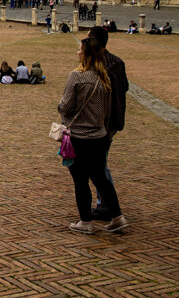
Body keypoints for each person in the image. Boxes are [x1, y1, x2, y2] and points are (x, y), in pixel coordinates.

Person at [58, 36, 127, 234]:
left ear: (86, 54)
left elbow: (66, 105)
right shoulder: (104, 76)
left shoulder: (76, 76)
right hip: (99, 136)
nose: (77, 52)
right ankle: (117, 216)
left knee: (80, 179)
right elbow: (107, 110)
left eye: (80, 49)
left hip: (78, 137)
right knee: (100, 178)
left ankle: (85, 221)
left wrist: (60, 107)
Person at [87, 25, 129, 222]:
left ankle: (108, 207)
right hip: (116, 120)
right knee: (100, 163)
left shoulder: (98, 65)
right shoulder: (118, 62)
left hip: (102, 122)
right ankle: (105, 205)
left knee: (98, 166)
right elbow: (126, 87)